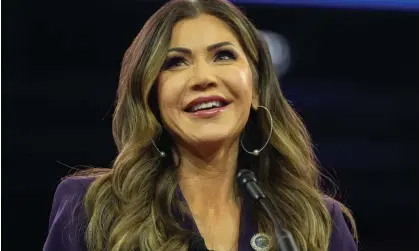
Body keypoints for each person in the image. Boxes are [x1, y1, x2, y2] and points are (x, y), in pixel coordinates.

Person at [43, 0, 358, 251]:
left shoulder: (316, 223)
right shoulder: (93, 209)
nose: (204, 78)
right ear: (151, 96)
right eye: (176, 62)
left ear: (257, 88)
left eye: (223, 56)